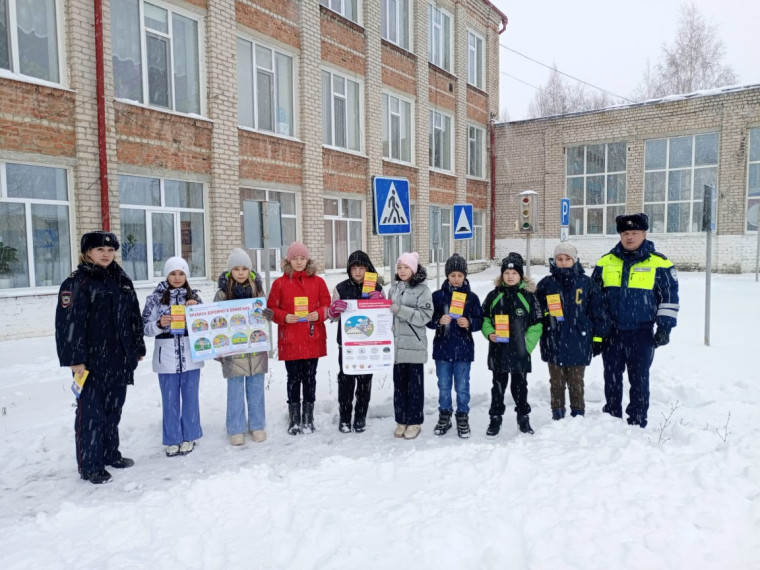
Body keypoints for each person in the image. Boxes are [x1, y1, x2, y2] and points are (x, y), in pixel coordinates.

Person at [55, 231, 145, 484]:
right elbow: (68, 325)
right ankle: (90, 465)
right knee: (91, 416)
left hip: (118, 359)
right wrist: (75, 360)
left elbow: (133, 317)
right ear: (87, 253)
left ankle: (109, 454)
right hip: (91, 362)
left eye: (110, 250)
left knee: (113, 411)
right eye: (99, 250)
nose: (106, 254)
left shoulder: (122, 280)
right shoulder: (77, 283)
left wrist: (137, 347)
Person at [592, 213, 679, 428]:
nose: (629, 237)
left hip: (641, 332)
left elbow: (669, 298)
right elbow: (594, 298)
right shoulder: (605, 261)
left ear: (644, 234)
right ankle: (612, 417)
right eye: (625, 233)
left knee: (639, 379)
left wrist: (665, 327)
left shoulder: (660, 263)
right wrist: (598, 329)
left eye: (634, 233)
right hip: (612, 332)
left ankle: (637, 420)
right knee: (611, 377)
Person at [535, 243, 608, 420]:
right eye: (560, 259)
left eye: (567, 259)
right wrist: (546, 315)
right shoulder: (547, 283)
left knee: (576, 381)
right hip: (554, 339)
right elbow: (536, 308)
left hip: (579, 339)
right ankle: (557, 412)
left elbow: (598, 312)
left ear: (574, 261)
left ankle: (578, 412)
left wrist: (597, 337)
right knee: (556, 382)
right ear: (554, 260)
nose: (563, 262)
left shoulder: (586, 283)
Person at [266, 241, 331, 435]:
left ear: (308, 259)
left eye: (303, 258)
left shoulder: (318, 282)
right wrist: (283, 316)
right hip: (291, 339)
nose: (299, 262)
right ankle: (294, 417)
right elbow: (270, 310)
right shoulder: (279, 283)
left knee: (310, 378)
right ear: (289, 260)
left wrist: (319, 313)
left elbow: (328, 305)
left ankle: (308, 416)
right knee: (293, 378)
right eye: (295, 259)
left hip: (312, 337)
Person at [142, 256, 204, 456]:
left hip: (190, 356)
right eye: (173, 273)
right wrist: (159, 324)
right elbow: (144, 328)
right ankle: (172, 439)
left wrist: (195, 311)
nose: (177, 278)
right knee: (169, 400)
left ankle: (190, 436)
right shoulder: (154, 299)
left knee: (190, 398)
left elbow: (206, 327)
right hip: (166, 357)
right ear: (166, 275)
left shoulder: (194, 297)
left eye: (181, 273)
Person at [481, 252, 543, 436]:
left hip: (520, 352)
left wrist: (526, 346)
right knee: (497, 387)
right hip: (498, 350)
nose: (510, 276)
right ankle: (495, 419)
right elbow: (484, 318)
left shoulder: (528, 296)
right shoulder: (493, 296)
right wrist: (489, 333)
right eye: (506, 273)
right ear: (502, 275)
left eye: (514, 273)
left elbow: (537, 324)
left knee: (520, 387)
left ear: (520, 276)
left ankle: (523, 417)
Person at [215, 248, 269, 445]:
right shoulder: (222, 294)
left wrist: (266, 314)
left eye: (244, 268)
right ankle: (235, 428)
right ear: (230, 271)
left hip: (255, 348)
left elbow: (266, 314)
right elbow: (215, 322)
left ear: (250, 270)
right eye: (236, 269)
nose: (240, 273)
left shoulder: (258, 291)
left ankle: (257, 425)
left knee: (256, 387)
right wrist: (217, 347)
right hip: (233, 350)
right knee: (235, 388)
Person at [327, 250, 385, 433]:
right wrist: (334, 310)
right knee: (346, 381)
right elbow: (332, 316)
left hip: (369, 345)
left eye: (362, 267)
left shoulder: (376, 287)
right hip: (347, 345)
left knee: (365, 381)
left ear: (367, 269)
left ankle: (360, 417)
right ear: (349, 270)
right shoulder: (341, 288)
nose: (358, 272)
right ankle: (345, 418)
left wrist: (380, 301)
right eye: (354, 268)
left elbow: (384, 317)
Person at [427, 253, 483, 438]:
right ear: (447, 276)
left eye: (460, 275)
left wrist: (470, 323)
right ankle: (445, 415)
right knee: (443, 386)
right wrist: (438, 320)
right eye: (453, 275)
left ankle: (462, 416)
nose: (456, 279)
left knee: (462, 386)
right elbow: (428, 319)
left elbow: (480, 320)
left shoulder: (472, 298)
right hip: (442, 350)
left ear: (465, 276)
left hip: (464, 351)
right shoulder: (437, 296)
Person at [387, 252, 433, 440]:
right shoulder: (394, 289)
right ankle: (401, 420)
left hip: (414, 344)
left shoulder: (423, 290)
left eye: (406, 267)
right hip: (398, 346)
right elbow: (389, 313)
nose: (402, 271)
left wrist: (400, 310)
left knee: (414, 386)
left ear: (413, 269)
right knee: (399, 386)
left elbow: (424, 317)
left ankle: (414, 422)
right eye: (399, 267)